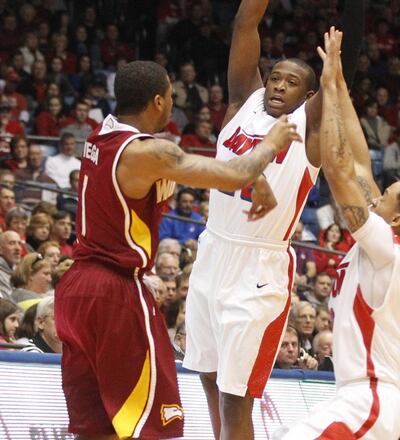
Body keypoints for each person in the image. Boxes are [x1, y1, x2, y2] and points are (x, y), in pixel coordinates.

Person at [53, 60, 298, 440]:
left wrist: (256, 177)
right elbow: (233, 175)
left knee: (96, 426)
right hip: (115, 292)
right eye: (170, 96)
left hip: (75, 290)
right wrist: (270, 146)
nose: (172, 103)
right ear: (157, 101)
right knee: (152, 427)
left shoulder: (102, 135)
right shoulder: (147, 153)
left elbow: (205, 169)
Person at [182, 1, 364, 438]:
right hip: (212, 251)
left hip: (257, 270)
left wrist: (344, 41)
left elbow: (342, 75)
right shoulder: (245, 102)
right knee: (208, 378)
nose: (279, 86)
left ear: (309, 95)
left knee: (235, 398)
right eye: (276, 77)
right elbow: (245, 22)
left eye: (292, 82)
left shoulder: (309, 126)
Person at [276, 28, 400, 439]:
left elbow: (336, 166)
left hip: (369, 400)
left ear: (399, 219)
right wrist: (336, 80)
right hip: (357, 398)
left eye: (387, 195)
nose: (378, 194)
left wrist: (327, 96)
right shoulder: (385, 236)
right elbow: (360, 161)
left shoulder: (389, 248)